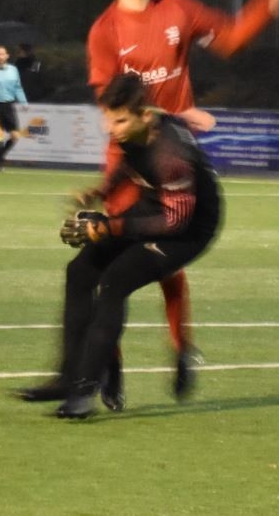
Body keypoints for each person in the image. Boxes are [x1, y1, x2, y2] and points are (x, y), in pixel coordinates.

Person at [84, 0, 279, 402]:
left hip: (173, 158)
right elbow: (109, 104)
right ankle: (109, 363)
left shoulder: (177, 9)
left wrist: (267, 2)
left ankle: (182, 349)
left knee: (166, 259)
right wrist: (169, 114)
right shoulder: (104, 31)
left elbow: (231, 37)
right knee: (111, 259)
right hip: (127, 161)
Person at [27, 73, 224, 419]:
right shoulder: (138, 130)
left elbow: (175, 222)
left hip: (189, 230)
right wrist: (100, 192)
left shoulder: (172, 156)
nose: (111, 128)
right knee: (80, 270)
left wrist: (111, 226)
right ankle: (68, 377)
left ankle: (84, 392)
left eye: (119, 121)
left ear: (144, 116)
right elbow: (131, 163)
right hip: (154, 207)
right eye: (107, 119)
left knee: (115, 280)